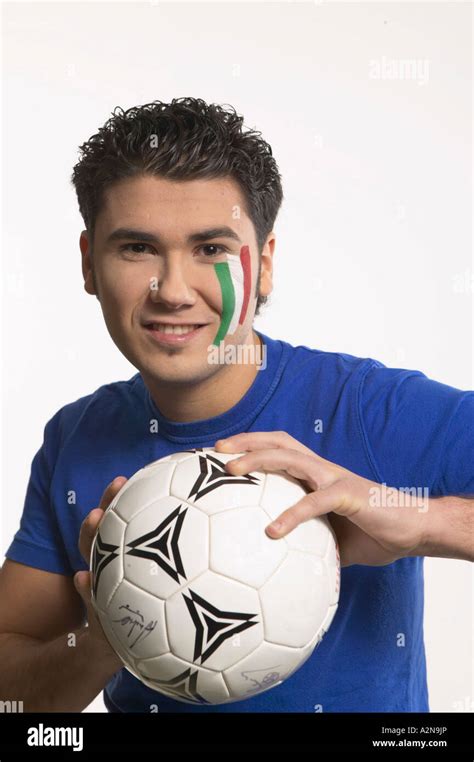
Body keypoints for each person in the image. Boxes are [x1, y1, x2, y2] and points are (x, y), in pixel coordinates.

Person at [1, 98, 472, 713]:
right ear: (89, 262)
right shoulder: (77, 437)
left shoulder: (365, 407)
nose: (171, 291)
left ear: (265, 265)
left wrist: (416, 521)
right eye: (137, 248)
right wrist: (104, 639)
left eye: (212, 249)